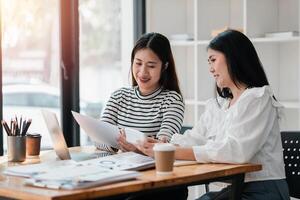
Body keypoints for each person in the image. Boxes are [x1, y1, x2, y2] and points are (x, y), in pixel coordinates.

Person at [136, 29, 290, 200]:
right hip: (234, 190)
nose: (210, 69)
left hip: (263, 192)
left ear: (233, 58)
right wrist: (162, 145)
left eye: (213, 60)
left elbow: (236, 151)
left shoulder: (258, 98)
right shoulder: (220, 105)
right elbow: (196, 137)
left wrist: (172, 152)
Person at [98, 32, 185, 154]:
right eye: (138, 63)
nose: (143, 72)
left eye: (151, 66)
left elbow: (163, 145)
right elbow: (98, 138)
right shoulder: (119, 97)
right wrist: (118, 145)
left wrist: (134, 148)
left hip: (151, 170)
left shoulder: (172, 101)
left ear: (164, 67)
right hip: (117, 167)